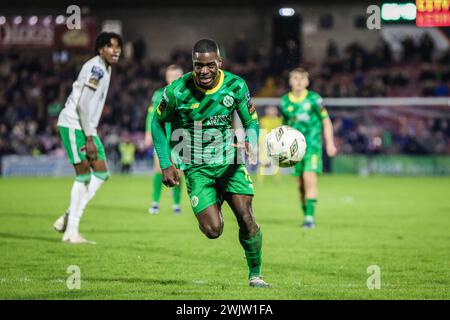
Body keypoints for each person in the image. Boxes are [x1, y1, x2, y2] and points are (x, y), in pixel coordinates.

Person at [151, 39, 270, 288]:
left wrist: (250, 141)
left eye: (209, 65)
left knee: (246, 217)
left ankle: (255, 274)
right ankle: (213, 198)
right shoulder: (176, 91)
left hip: (230, 163)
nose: (204, 71)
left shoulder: (236, 85)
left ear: (219, 63)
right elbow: (157, 122)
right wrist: (166, 163)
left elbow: (251, 122)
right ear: (193, 65)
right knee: (213, 231)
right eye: (198, 66)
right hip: (197, 167)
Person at [53, 32, 122, 244]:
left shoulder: (104, 67)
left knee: (101, 173)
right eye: (110, 46)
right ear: (100, 49)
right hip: (75, 125)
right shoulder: (97, 68)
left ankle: (68, 216)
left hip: (85, 127)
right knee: (83, 176)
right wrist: (90, 137)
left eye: (118, 46)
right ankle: (71, 232)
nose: (116, 50)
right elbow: (83, 104)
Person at [280, 68, 337, 229]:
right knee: (300, 185)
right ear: (290, 81)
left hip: (312, 146)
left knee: (309, 178)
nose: (298, 81)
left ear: (307, 82)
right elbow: (283, 126)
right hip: (294, 150)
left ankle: (310, 218)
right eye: (295, 78)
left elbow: (326, 121)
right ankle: (306, 214)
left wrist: (330, 143)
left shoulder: (314, 99)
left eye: (302, 79)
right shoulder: (285, 101)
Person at [145, 65, 184, 215]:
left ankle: (176, 205)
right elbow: (152, 115)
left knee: (179, 172)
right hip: (162, 137)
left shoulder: (186, 94)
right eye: (171, 75)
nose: (173, 78)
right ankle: (155, 203)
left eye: (177, 75)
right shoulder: (159, 94)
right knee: (159, 169)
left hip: (180, 138)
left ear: (181, 77)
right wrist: (148, 133)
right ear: (167, 78)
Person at [258, 105, 282, 181]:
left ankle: (278, 179)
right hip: (265, 143)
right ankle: (260, 180)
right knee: (263, 162)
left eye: (273, 111)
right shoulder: (263, 120)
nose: (272, 112)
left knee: (276, 161)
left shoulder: (279, 120)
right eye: (270, 111)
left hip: (275, 143)